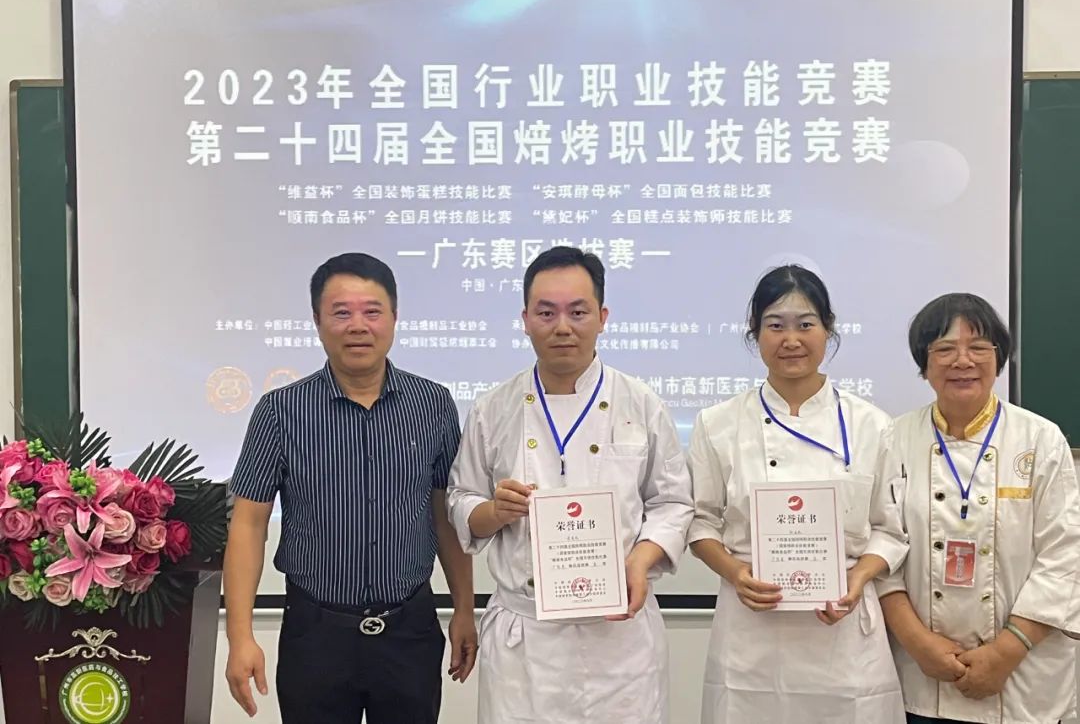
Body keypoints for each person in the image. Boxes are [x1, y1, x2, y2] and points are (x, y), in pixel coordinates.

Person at [223, 252, 477, 723]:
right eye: (341, 312)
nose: (358, 326)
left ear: (394, 318)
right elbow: (249, 524)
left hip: (409, 631)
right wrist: (240, 637)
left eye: (372, 311)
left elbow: (446, 514)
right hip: (315, 634)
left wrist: (465, 608)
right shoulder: (280, 411)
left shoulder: (433, 404)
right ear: (317, 322)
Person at [446, 245, 693, 724]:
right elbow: (461, 499)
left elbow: (673, 503)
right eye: (546, 313)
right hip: (526, 640)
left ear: (602, 317)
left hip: (619, 640)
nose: (562, 327)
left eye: (578, 312)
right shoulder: (493, 408)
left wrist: (641, 561)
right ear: (525, 320)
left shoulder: (641, 403)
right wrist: (494, 511)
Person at [687, 264, 908, 723]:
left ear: (828, 330)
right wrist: (736, 573)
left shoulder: (871, 424)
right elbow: (700, 521)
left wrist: (859, 578)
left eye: (806, 325)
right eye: (775, 326)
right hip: (751, 633)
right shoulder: (719, 423)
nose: (791, 340)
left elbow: (890, 529)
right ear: (755, 334)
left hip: (844, 634)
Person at [878, 293, 1080, 724]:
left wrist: (1006, 651)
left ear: (999, 357)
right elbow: (882, 550)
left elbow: (1066, 555)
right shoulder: (894, 439)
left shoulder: (1040, 439)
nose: (962, 361)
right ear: (924, 363)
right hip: (924, 676)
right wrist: (918, 643)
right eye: (945, 349)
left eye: (978, 347)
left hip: (1022, 673)